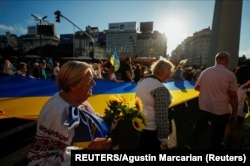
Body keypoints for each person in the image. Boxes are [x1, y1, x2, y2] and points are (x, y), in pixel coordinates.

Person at [27, 61, 111, 165]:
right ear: (73, 86)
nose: (94, 83)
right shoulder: (57, 113)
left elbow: (92, 121)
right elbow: (40, 161)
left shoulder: (81, 102)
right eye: (89, 80)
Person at [190, 51, 238, 150]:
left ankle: (189, 144)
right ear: (227, 61)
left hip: (205, 106)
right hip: (221, 109)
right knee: (218, 133)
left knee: (199, 127)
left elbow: (197, 87)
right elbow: (233, 96)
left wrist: (208, 90)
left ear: (216, 60)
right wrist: (234, 112)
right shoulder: (230, 75)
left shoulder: (206, 71)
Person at [136, 57, 174, 150]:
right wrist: (164, 141)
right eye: (169, 72)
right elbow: (162, 117)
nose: (170, 75)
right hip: (152, 131)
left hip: (141, 126)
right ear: (164, 72)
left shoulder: (143, 81)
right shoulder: (160, 88)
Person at [224, 65, 250, 149]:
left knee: (229, 126)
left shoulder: (236, 85)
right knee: (237, 130)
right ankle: (235, 146)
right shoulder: (247, 87)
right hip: (240, 112)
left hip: (230, 109)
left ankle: (224, 143)